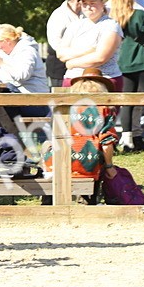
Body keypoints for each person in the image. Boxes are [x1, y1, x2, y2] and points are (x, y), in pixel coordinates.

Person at [41, 67, 118, 206]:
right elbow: (107, 141)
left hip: (57, 161)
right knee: (98, 154)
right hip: (87, 162)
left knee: (47, 145)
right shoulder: (104, 109)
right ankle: (88, 199)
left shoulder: (63, 107)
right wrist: (109, 166)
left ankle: (48, 199)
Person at [110, 0, 144, 150]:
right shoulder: (139, 15)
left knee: (127, 101)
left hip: (122, 62)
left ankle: (127, 138)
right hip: (141, 60)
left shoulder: (112, 18)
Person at [57, 0, 123, 90]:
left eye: (92, 3)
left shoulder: (111, 25)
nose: (88, 7)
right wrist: (89, 51)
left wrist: (72, 63)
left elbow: (100, 58)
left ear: (102, 3)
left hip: (104, 80)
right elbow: (61, 54)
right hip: (73, 79)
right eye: (84, 4)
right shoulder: (75, 25)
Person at [0, 23, 49, 118]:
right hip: (20, 98)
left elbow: (22, 75)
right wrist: (10, 76)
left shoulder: (27, 51)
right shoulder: (1, 54)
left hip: (36, 101)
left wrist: (3, 64)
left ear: (7, 41)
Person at [45, 0, 88, 88]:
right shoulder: (58, 16)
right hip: (60, 68)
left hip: (84, 67)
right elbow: (56, 44)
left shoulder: (87, 13)